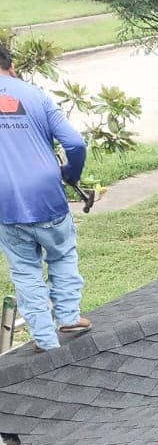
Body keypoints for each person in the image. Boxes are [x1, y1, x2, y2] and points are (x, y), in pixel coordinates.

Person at [0, 42, 90, 351]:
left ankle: (44, 338)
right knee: (62, 253)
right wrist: (71, 173)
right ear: (10, 66)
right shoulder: (34, 95)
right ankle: (68, 316)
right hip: (47, 197)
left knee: (24, 269)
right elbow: (75, 143)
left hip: (5, 205)